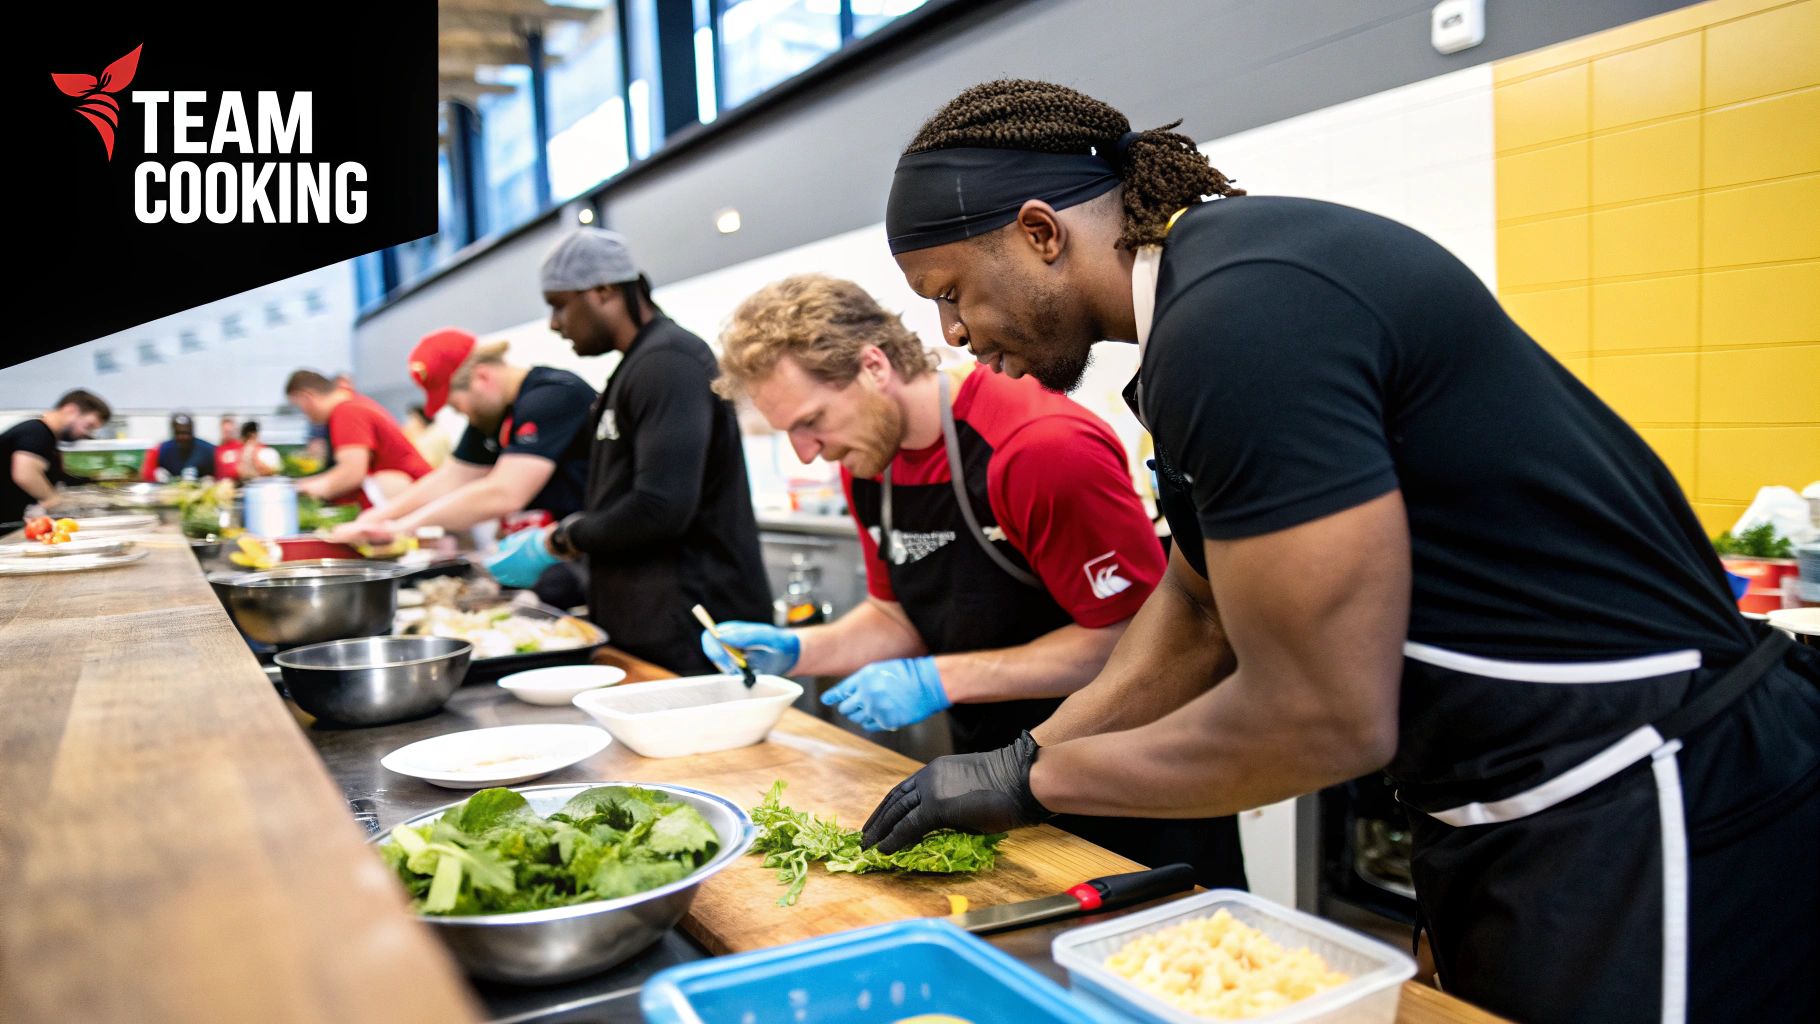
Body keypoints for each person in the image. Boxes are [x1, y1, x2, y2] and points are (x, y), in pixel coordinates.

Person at [859, 80, 1820, 1024]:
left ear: (1039, 232)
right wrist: (1030, 751)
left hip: (1648, 787)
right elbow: (1198, 610)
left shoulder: (1246, 316)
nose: (953, 335)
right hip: (1501, 806)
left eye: (953, 294)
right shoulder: (1207, 308)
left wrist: (1030, 781)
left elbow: (1319, 716)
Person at [702, 274, 1246, 888]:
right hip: (989, 777)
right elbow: (897, 614)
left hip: (1123, 772)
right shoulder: (867, 459)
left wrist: (942, 677)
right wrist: (801, 650)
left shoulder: (1040, 449)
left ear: (873, 366)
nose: (807, 454)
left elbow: (1141, 642)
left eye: (812, 422)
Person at [485, 228, 770, 673]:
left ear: (604, 291)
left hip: (693, 628)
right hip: (651, 624)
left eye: (560, 305)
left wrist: (561, 538)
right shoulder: (636, 367)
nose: (555, 324)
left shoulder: (668, 363)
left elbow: (661, 506)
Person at [335, 331, 596, 597]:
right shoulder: (492, 415)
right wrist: (379, 516)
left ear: (481, 377)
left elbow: (503, 493)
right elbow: (450, 477)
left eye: (456, 405)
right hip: (544, 552)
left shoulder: (553, 395)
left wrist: (399, 528)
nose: (461, 414)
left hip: (584, 551)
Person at [283, 370, 431, 506]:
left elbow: (352, 472)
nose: (305, 415)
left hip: (416, 498)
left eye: (299, 406)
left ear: (307, 397)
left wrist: (301, 489)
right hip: (418, 494)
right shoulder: (355, 405)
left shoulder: (347, 412)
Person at [1, 389, 110, 527]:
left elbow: (61, 476)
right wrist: (52, 499)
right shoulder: (36, 432)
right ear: (71, 410)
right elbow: (25, 473)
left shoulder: (49, 440)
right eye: (88, 426)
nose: (86, 434)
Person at [141, 413, 217, 482]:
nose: (183, 437)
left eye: (187, 433)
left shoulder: (208, 450)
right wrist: (156, 476)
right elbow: (147, 476)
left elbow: (220, 476)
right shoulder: (163, 450)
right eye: (178, 433)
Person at [402, 403, 451, 468]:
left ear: (420, 420)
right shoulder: (437, 433)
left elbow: (427, 464)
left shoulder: (428, 439)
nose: (407, 423)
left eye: (411, 419)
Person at [212, 415, 242, 479]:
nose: (227, 434)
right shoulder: (217, 449)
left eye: (229, 431)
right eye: (225, 431)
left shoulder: (241, 447)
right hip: (221, 483)